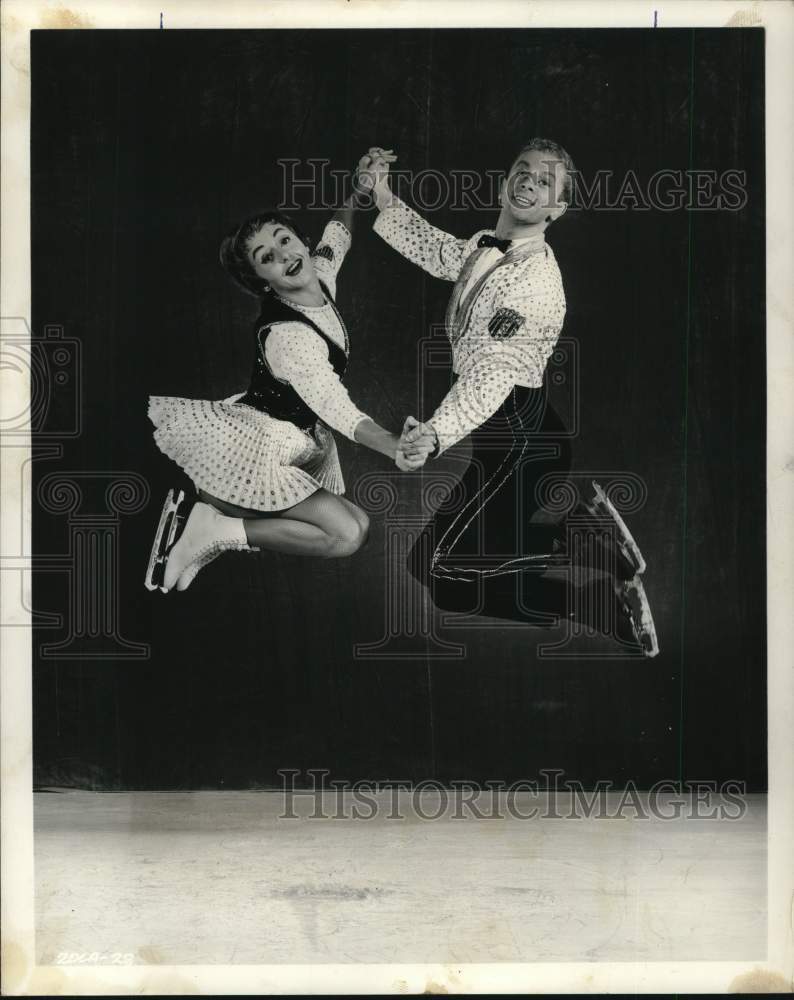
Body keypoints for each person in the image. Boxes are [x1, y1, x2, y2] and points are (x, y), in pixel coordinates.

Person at [370, 139, 659, 656]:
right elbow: (437, 249)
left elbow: (493, 374)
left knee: (443, 565)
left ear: (556, 208)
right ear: (507, 180)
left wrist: (435, 433)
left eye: (544, 181)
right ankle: (594, 605)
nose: (529, 181)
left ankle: (578, 540)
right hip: (503, 440)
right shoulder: (486, 243)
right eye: (522, 170)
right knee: (437, 574)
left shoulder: (535, 284)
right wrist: (382, 195)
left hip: (521, 441)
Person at [145, 150, 435, 594]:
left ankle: (212, 529)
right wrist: (394, 444)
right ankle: (212, 529)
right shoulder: (288, 337)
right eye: (267, 257)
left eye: (284, 239)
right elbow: (334, 406)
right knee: (346, 534)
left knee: (357, 524)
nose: (283, 254)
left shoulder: (318, 278)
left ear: (299, 241)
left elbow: (336, 237)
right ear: (264, 281)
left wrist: (359, 190)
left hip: (290, 445)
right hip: (252, 453)